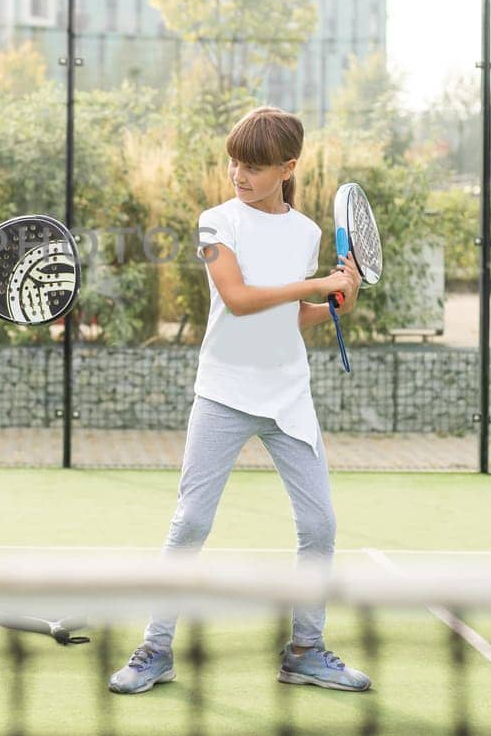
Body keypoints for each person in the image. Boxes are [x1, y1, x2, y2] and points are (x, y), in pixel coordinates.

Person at [107, 105, 371, 695]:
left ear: (287, 167)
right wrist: (316, 286)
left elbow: (288, 316)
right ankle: (155, 649)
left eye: (253, 166)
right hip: (222, 392)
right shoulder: (214, 222)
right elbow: (241, 298)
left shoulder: (305, 233)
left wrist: (334, 305)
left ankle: (307, 649)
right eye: (234, 162)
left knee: (320, 526)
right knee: (191, 522)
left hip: (288, 396)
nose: (238, 174)